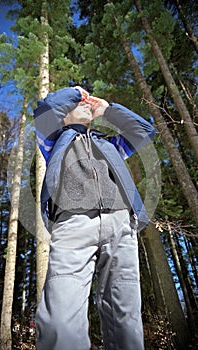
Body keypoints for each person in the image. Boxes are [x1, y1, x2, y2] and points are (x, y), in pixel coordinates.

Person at [33, 86, 156, 350]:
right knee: (60, 320)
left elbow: (144, 131)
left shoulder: (110, 144)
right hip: (72, 222)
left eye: (88, 103)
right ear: (64, 115)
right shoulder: (54, 140)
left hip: (120, 223)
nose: (86, 104)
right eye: (80, 104)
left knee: (126, 319)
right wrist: (76, 92)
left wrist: (107, 110)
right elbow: (44, 110)